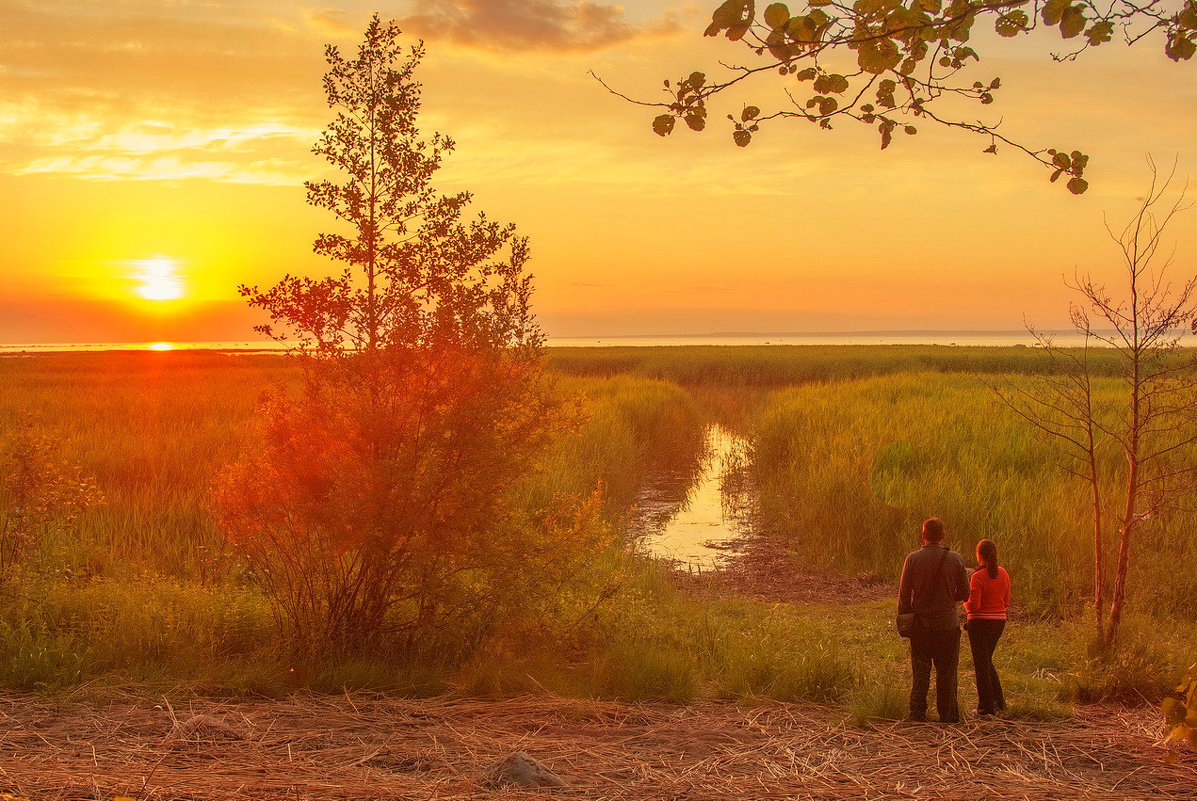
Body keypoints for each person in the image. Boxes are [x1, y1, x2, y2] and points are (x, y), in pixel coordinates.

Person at [898, 517, 970, 723]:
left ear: (923, 536)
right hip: (948, 624)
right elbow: (965, 592)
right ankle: (948, 715)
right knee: (947, 673)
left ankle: (917, 714)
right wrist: (949, 599)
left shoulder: (912, 559)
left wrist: (905, 619)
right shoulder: (956, 559)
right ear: (942, 536)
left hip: (920, 624)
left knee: (920, 671)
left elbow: (903, 594)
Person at [965, 538, 1010, 716]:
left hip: (979, 622)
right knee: (986, 662)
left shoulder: (977, 577)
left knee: (981, 664)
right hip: (999, 621)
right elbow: (1006, 601)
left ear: (979, 555)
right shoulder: (1004, 573)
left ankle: (985, 707)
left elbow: (974, 606)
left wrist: (964, 602)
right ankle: (999, 703)